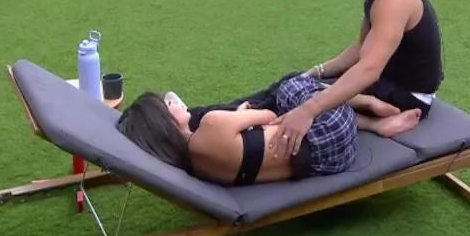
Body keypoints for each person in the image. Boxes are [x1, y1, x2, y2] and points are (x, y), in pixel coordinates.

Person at [268, 0, 444, 160]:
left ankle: (376, 122)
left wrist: (309, 110)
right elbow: (362, 48)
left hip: (406, 98)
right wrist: (316, 72)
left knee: (296, 95)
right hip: (386, 84)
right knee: (295, 83)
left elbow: (368, 69)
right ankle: (362, 103)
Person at [115, 71, 358, 186]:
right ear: (164, 123)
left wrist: (239, 120)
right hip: (333, 127)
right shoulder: (211, 124)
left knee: (284, 98)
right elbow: (270, 115)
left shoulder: (198, 169)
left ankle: (361, 112)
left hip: (330, 163)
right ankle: (361, 102)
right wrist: (240, 116)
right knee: (289, 86)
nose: (173, 102)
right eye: (167, 105)